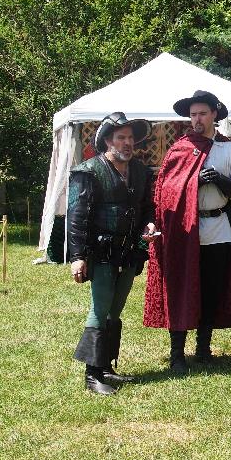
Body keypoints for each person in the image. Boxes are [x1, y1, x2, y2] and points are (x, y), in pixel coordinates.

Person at [144, 90, 231, 374]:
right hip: (184, 230)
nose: (197, 119)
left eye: (203, 114)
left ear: (214, 115)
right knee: (180, 288)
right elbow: (166, 192)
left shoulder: (230, 150)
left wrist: (221, 180)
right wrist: (194, 183)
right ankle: (177, 355)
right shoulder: (180, 149)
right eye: (193, 114)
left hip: (218, 229)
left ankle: (203, 348)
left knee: (211, 289)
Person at [68, 112, 156, 394]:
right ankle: (92, 375)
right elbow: (77, 216)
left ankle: (106, 367)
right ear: (108, 141)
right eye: (121, 138)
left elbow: (147, 207)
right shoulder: (89, 171)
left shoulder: (140, 171)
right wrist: (77, 256)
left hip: (129, 252)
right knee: (100, 308)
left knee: (115, 310)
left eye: (130, 138)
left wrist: (149, 224)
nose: (127, 143)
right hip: (101, 251)